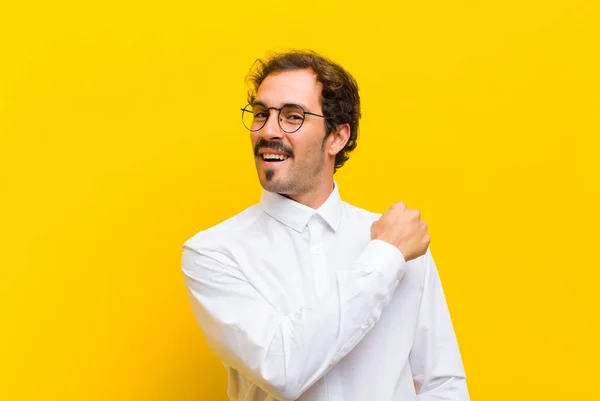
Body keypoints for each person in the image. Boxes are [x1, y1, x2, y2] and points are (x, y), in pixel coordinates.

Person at [181, 50, 469, 401]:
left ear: (337, 137)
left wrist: (391, 251)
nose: (268, 130)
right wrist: (384, 258)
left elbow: (444, 385)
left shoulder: (403, 244)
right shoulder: (213, 252)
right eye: (261, 114)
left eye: (292, 117)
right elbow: (281, 369)